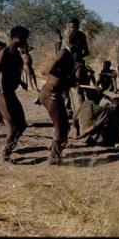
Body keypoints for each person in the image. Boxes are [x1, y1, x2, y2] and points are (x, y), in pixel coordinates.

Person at [39, 31, 81, 165]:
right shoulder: (64, 53)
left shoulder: (70, 55)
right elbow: (50, 70)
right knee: (61, 127)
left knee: (64, 126)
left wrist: (72, 80)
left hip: (56, 94)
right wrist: (66, 80)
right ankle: (54, 158)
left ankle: (55, 152)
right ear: (78, 42)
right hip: (51, 94)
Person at [0, 26, 30, 162]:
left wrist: (21, 82)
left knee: (22, 125)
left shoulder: (16, 53)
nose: (25, 42)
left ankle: (8, 149)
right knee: (13, 126)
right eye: (24, 39)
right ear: (17, 37)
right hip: (2, 93)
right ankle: (5, 155)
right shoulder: (4, 52)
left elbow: (16, 70)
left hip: (11, 93)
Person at [66, 18, 90, 105]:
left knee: (79, 88)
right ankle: (68, 108)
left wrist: (78, 57)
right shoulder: (68, 36)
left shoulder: (81, 36)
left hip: (78, 63)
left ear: (78, 27)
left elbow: (87, 51)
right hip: (70, 62)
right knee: (64, 85)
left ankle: (82, 111)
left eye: (74, 27)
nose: (72, 29)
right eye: (71, 27)